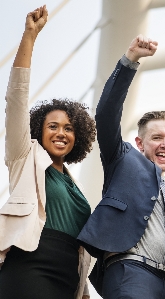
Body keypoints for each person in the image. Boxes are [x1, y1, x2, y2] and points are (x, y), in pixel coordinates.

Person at [0, 6, 96, 299]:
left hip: (68, 274)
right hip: (30, 264)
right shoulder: (24, 158)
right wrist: (30, 36)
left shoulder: (74, 186)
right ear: (38, 131)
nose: (60, 133)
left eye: (68, 128)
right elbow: (16, 98)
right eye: (52, 126)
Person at [77, 34, 165, 299]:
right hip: (131, 272)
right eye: (157, 137)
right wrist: (130, 60)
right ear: (139, 143)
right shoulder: (122, 158)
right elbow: (106, 115)